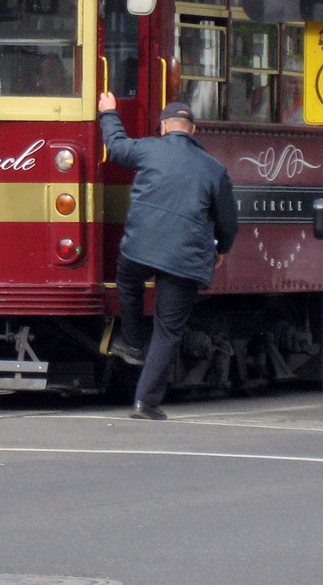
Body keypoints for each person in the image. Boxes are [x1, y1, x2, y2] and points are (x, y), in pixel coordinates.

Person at [97, 92, 239, 420]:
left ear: (162, 127)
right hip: (184, 258)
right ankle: (144, 403)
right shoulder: (214, 169)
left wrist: (109, 112)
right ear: (194, 129)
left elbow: (116, 147)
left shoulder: (148, 149)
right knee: (167, 330)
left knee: (128, 282)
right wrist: (221, 250)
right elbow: (228, 222)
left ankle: (131, 342)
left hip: (140, 249)